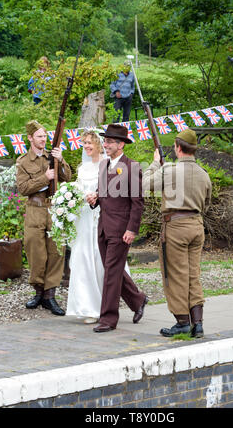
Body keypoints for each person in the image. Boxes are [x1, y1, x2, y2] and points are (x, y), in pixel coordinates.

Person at [142, 128, 212, 338]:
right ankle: (197, 323)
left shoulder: (169, 170)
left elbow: (144, 185)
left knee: (175, 275)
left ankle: (182, 321)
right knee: (193, 274)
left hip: (175, 227)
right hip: (196, 225)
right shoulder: (204, 174)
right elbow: (206, 204)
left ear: (178, 147)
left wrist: (155, 164)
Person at [86, 124, 148, 333]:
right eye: (105, 141)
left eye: (110, 142)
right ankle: (138, 300)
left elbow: (137, 202)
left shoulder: (132, 167)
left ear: (121, 145)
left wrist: (132, 229)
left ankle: (108, 319)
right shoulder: (103, 165)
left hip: (121, 230)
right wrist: (94, 198)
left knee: (111, 273)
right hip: (103, 227)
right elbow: (102, 194)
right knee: (113, 270)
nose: (105, 144)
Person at [66, 130, 131, 324]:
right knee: (82, 258)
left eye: (89, 143)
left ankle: (103, 306)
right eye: (84, 143)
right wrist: (70, 198)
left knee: (100, 260)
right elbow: (78, 189)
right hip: (84, 217)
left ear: (98, 145)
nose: (86, 146)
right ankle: (87, 306)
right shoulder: (81, 168)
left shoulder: (107, 165)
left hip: (101, 217)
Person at [16, 120, 72, 315]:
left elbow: (67, 177)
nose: (43, 139)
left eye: (45, 135)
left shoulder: (52, 156)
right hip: (35, 209)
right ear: (30, 138)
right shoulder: (23, 161)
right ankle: (38, 292)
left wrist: (61, 160)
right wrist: (45, 178)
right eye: (39, 136)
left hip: (54, 209)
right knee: (36, 253)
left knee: (56, 251)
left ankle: (50, 296)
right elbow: (23, 188)